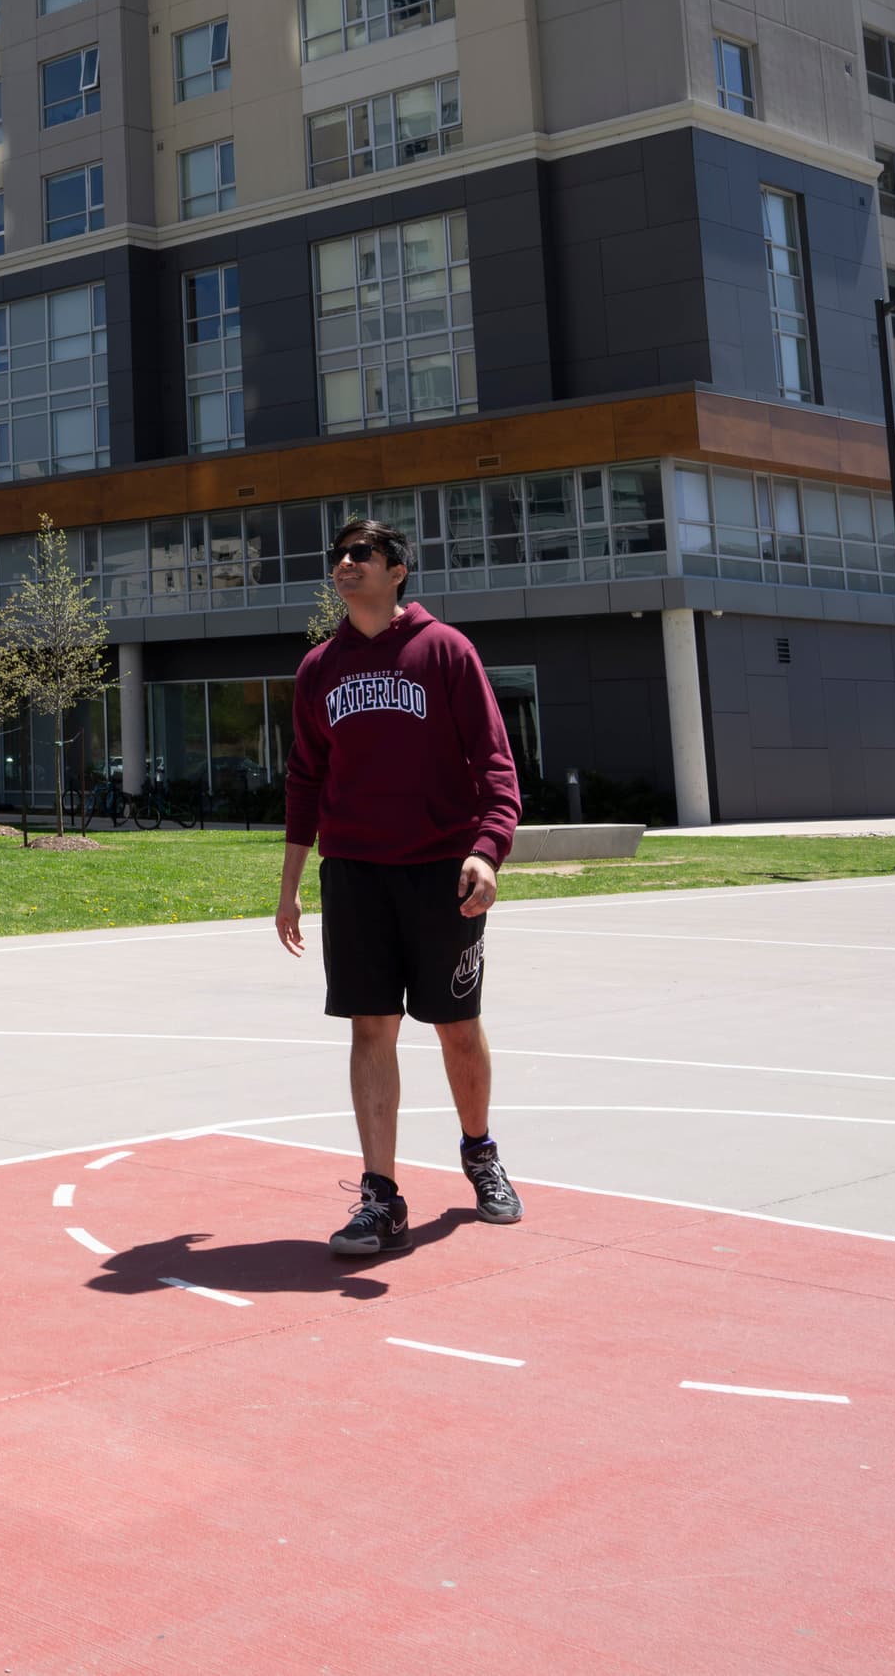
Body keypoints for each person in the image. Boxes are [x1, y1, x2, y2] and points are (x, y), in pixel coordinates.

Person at [274, 518, 526, 1259]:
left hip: (440, 872)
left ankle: (480, 1152)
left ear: (397, 569)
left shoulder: (444, 650)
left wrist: (487, 851)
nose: (346, 564)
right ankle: (380, 1196)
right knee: (370, 1028)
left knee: (456, 1026)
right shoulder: (320, 668)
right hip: (355, 873)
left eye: (362, 553)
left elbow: (496, 765)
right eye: (338, 555)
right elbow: (304, 780)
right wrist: (290, 885)